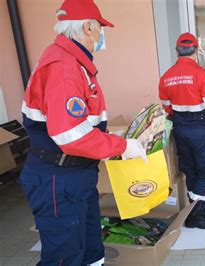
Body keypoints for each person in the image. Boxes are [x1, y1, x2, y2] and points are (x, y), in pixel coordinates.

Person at [19, 1, 147, 265]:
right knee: (65, 257)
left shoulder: (74, 64)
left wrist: (116, 141)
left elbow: (81, 122)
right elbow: (72, 136)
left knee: (91, 251)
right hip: (58, 178)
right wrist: (122, 147)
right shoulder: (64, 68)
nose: (102, 34)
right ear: (88, 27)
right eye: (100, 28)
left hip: (75, 176)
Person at [159, 33, 205, 229]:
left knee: (190, 170)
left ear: (176, 51)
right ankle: (196, 214)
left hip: (180, 129)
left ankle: (193, 210)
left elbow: (167, 108)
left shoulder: (166, 78)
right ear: (197, 52)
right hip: (200, 129)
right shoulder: (203, 75)